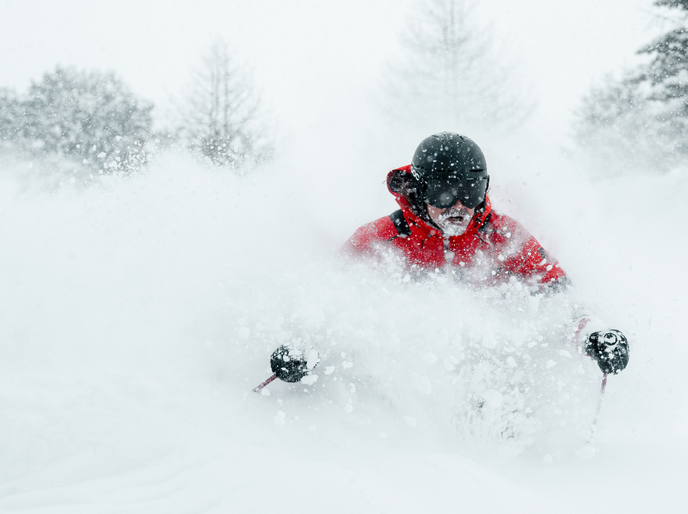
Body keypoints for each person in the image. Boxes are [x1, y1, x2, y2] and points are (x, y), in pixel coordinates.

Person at [268, 132, 628, 385]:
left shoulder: (504, 237)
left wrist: (594, 334)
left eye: (470, 191)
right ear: (420, 188)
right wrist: (305, 345)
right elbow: (330, 301)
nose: (458, 206)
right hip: (403, 380)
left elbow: (560, 297)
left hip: (491, 377)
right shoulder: (382, 240)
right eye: (443, 192)